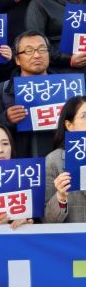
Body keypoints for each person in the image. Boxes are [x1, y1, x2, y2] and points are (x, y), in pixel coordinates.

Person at [0, 30, 55, 158]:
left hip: (60, 164)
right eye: (29, 51)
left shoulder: (70, 88)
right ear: (17, 59)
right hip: (19, 165)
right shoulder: (1, 92)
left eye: (42, 49)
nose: (37, 55)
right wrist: (6, 119)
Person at [44, 95, 86, 223]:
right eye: (84, 116)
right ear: (69, 125)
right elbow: (47, 220)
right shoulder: (54, 161)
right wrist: (61, 197)